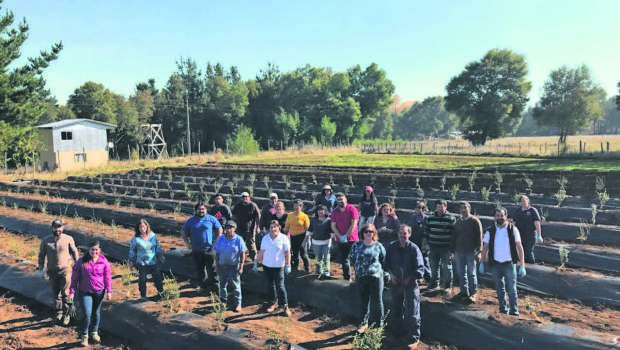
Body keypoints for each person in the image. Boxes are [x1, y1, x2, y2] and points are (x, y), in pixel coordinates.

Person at [480, 207, 527, 316]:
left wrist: (522, 265)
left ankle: (514, 309)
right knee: (499, 288)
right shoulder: (490, 231)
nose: (499, 217)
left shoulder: (512, 229)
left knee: (511, 288)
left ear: (506, 216)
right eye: (497, 215)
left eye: (501, 215)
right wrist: (481, 262)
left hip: (509, 264)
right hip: (496, 264)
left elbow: (519, 247)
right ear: (494, 217)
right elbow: (485, 247)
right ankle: (502, 307)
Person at [384, 225, 425, 349]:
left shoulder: (414, 249)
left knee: (412, 312)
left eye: (405, 233)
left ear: (409, 234)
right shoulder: (392, 247)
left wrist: (410, 278)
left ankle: (414, 337)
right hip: (396, 283)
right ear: (397, 234)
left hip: (410, 284)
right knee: (396, 309)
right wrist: (391, 275)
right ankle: (397, 333)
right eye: (400, 233)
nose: (402, 235)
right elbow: (386, 263)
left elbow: (420, 269)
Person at [69, 241, 112, 347]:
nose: (94, 252)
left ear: (99, 250)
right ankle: (84, 335)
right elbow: (74, 278)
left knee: (96, 313)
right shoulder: (81, 261)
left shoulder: (103, 261)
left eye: (96, 250)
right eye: (92, 249)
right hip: (85, 292)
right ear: (89, 250)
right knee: (87, 314)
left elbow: (107, 276)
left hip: (99, 292)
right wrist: (72, 291)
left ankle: (94, 332)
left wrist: (109, 290)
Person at [38, 219, 78, 326]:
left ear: (62, 228)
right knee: (56, 294)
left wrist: (77, 266)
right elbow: (41, 255)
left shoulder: (68, 239)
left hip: (66, 270)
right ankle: (59, 313)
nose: (58, 229)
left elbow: (74, 252)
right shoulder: (46, 241)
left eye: (59, 227)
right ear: (52, 228)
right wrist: (41, 269)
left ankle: (67, 314)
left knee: (66, 294)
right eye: (55, 227)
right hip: (52, 271)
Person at [349, 224, 386, 333]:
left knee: (377, 301)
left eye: (371, 231)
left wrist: (386, 274)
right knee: (363, 301)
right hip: (361, 277)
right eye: (366, 231)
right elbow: (351, 259)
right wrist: (352, 274)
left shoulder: (378, 246)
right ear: (362, 233)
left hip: (376, 277)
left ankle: (379, 325)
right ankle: (363, 323)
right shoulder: (356, 245)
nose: (368, 233)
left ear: (374, 233)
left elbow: (384, 260)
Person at [181, 201, 222, 292]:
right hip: (197, 249)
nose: (201, 211)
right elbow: (183, 231)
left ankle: (215, 287)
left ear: (206, 210)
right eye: (199, 209)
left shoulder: (211, 219)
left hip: (210, 249)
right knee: (200, 269)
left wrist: (216, 242)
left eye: (203, 209)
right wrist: (188, 244)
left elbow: (219, 229)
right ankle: (202, 286)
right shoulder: (191, 220)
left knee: (213, 269)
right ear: (196, 210)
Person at [257, 220, 292, 317]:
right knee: (270, 285)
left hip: (278, 266)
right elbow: (262, 251)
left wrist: (288, 265)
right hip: (267, 266)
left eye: (275, 227)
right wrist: (257, 262)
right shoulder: (265, 238)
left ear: (278, 228)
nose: (273, 229)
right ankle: (273, 303)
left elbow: (287, 253)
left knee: (280, 286)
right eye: (271, 227)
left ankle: (285, 306)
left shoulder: (284, 238)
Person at [450, 202, 483, 303]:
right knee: (461, 273)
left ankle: (473, 293)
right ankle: (464, 291)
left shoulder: (474, 221)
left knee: (471, 273)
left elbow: (479, 236)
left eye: (465, 208)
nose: (463, 210)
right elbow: (454, 237)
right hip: (459, 251)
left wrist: (479, 251)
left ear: (469, 208)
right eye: (461, 208)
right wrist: (452, 251)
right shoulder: (458, 222)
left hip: (471, 252)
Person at [213, 220, 247, 312]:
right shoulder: (221, 239)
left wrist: (241, 266)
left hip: (234, 266)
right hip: (222, 265)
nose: (228, 230)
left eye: (230, 228)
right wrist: (216, 265)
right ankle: (223, 302)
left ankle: (238, 304)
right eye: (226, 228)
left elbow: (242, 253)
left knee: (236, 286)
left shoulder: (238, 239)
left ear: (234, 229)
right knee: (222, 285)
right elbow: (217, 253)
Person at [425, 199, 456, 293]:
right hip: (433, 246)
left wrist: (452, 249)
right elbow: (426, 232)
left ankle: (447, 286)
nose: (440, 209)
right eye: (438, 207)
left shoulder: (450, 218)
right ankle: (434, 284)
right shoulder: (430, 217)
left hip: (446, 248)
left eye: (442, 207)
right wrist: (425, 244)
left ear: (445, 207)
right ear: (436, 207)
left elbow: (454, 234)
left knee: (447, 268)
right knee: (434, 267)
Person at [129, 218, 164, 300]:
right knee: (142, 279)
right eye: (140, 227)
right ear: (138, 228)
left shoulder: (152, 236)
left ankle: (161, 293)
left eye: (144, 227)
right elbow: (132, 250)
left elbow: (157, 247)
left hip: (153, 261)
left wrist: (160, 256)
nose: (142, 229)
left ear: (147, 227)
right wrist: (131, 260)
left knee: (157, 278)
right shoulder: (136, 238)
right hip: (142, 263)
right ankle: (143, 296)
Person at [331, 193, 360, 281]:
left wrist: (346, 236)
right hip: (341, 239)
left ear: (346, 200)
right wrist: (340, 236)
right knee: (344, 259)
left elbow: (353, 224)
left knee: (355, 259)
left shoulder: (352, 209)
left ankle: (358, 277)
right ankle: (347, 278)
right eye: (339, 200)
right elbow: (333, 226)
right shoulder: (335, 211)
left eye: (342, 199)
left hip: (352, 239)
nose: (341, 201)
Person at [511, 195, 542, 264]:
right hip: (520, 235)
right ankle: (522, 266)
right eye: (522, 201)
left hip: (530, 235)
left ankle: (531, 266)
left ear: (528, 201)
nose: (523, 202)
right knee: (520, 252)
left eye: (525, 201)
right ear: (519, 203)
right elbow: (513, 223)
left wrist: (539, 235)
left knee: (529, 252)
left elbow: (537, 223)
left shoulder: (532, 210)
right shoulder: (517, 211)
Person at [232, 192, 261, 261]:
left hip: (250, 229)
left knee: (251, 245)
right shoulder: (237, 205)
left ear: (249, 197)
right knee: (238, 244)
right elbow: (233, 216)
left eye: (246, 197)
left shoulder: (253, 205)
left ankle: (254, 261)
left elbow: (258, 216)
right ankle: (239, 259)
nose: (245, 198)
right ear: (241, 198)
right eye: (243, 197)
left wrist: (257, 227)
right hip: (239, 229)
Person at [407, 201, 431, 282]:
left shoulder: (427, 219)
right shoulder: (412, 218)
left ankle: (428, 279)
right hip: (414, 242)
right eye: (417, 207)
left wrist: (426, 243)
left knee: (425, 261)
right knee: (414, 260)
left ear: (424, 209)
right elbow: (408, 230)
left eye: (421, 208)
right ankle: (416, 278)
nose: (419, 209)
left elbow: (429, 231)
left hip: (424, 243)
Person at [284, 199, 311, 273]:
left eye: (298, 206)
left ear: (301, 207)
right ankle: (295, 267)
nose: (296, 207)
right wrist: (285, 233)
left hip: (302, 236)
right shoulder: (290, 215)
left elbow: (307, 228)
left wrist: (307, 237)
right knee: (295, 253)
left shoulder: (304, 216)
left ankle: (307, 267)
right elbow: (287, 226)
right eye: (295, 206)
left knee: (303, 253)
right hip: (293, 236)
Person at [308, 204, 332, 278]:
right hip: (316, 242)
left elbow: (332, 232)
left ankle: (326, 272)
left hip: (326, 242)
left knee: (326, 258)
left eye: (322, 210)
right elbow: (310, 230)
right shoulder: (313, 220)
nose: (320, 212)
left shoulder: (329, 220)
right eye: (319, 210)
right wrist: (307, 240)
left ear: (325, 211)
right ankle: (318, 271)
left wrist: (331, 242)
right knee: (318, 258)